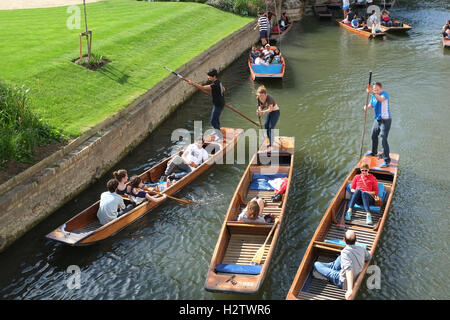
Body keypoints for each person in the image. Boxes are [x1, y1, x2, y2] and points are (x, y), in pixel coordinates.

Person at [312, 230, 372, 300]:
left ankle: (328, 275)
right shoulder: (361, 248)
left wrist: (349, 290)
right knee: (341, 256)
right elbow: (369, 257)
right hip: (353, 272)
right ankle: (332, 267)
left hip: (342, 281)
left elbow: (349, 270)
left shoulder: (345, 253)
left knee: (316, 264)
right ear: (356, 240)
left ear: (344, 240)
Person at [187, 68, 225, 134]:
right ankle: (217, 131)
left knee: (213, 121)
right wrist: (216, 94)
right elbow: (224, 89)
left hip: (218, 105)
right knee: (216, 119)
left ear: (214, 76)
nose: (208, 78)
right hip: (220, 103)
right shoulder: (219, 82)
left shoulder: (215, 85)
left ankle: (219, 136)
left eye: (209, 77)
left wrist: (192, 83)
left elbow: (203, 88)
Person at [364, 82, 392, 167]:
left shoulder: (384, 94)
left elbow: (380, 99)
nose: (375, 91)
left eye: (377, 89)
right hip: (377, 120)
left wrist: (372, 92)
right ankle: (374, 152)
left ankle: (387, 161)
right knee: (373, 135)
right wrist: (366, 107)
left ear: (381, 89)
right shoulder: (373, 96)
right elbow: (370, 106)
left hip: (385, 120)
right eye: (374, 89)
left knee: (383, 138)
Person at [256, 85, 280, 151]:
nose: (261, 98)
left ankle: (271, 146)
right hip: (269, 112)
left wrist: (262, 112)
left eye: (263, 96)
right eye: (260, 96)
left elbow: (270, 109)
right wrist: (259, 110)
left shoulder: (269, 98)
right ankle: (270, 142)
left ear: (266, 94)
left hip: (275, 112)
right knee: (266, 126)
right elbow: (260, 106)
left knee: (271, 128)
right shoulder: (258, 98)